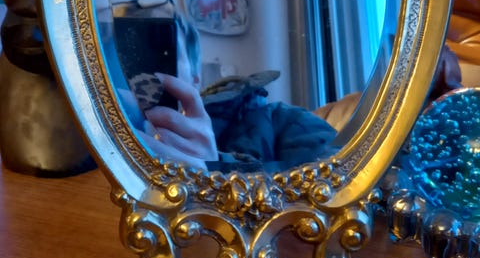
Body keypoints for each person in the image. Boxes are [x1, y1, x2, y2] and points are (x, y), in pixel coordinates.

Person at [118, 13, 337, 171]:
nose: (142, 77)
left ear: (195, 78)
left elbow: (340, 184)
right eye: (127, 61)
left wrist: (215, 169)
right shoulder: (106, 130)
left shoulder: (285, 120)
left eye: (160, 57)